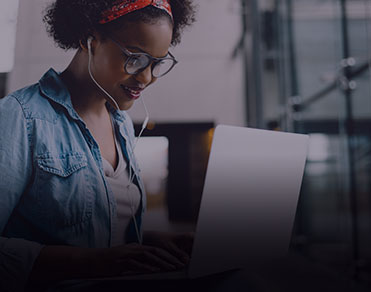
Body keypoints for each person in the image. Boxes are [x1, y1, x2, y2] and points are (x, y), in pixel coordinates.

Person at [0, 0, 196, 291]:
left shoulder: (122, 124)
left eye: (158, 63)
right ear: (89, 38)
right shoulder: (20, 118)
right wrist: (89, 262)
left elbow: (99, 229)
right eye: (136, 59)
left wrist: (152, 242)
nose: (146, 77)